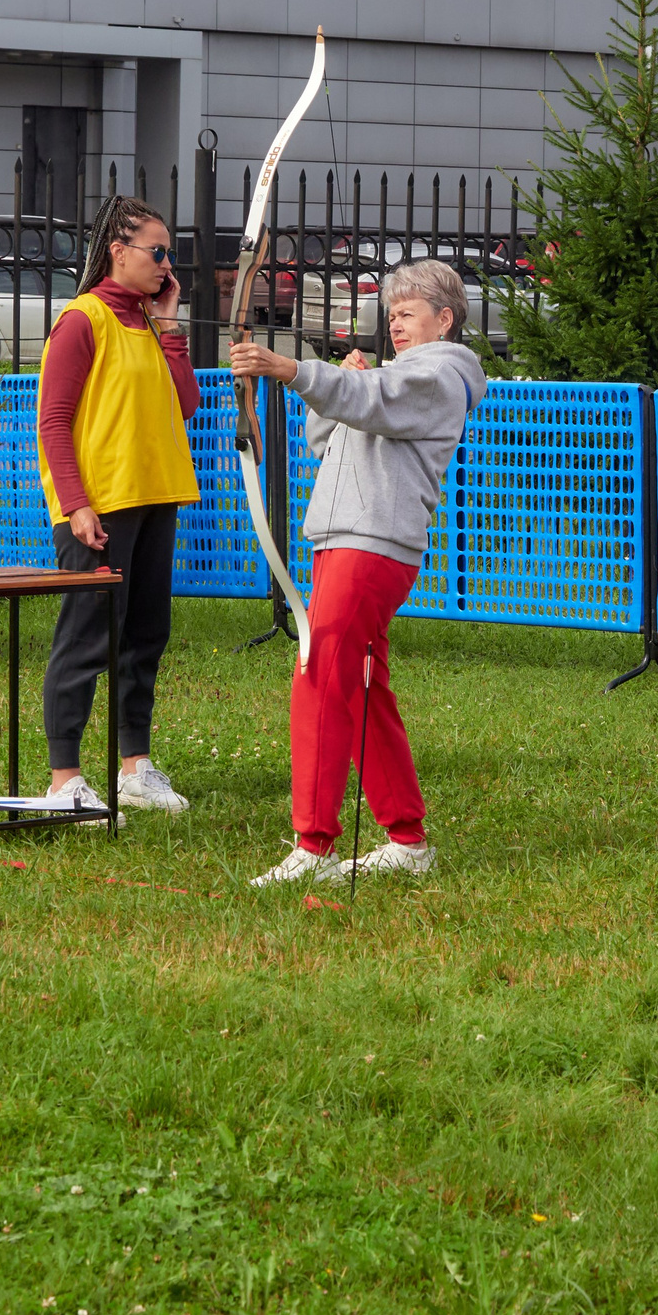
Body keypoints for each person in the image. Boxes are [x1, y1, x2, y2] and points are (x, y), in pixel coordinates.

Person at [229, 259, 484, 885]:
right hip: (347, 539)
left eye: (408, 312)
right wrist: (335, 382)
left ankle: (313, 846)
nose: (394, 324)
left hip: (372, 545)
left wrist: (293, 370)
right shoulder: (394, 375)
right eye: (391, 314)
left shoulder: (442, 374)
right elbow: (327, 436)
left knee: (319, 673)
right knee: (363, 686)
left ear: (444, 319)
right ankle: (407, 839)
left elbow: (370, 402)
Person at [36, 194, 203, 818]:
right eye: (157, 253)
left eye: (170, 254)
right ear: (118, 251)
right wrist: (76, 505)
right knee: (86, 637)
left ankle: (135, 766)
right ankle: (65, 779)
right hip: (101, 507)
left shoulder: (150, 324)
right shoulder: (83, 319)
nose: (166, 264)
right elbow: (53, 421)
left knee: (144, 635)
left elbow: (186, 403)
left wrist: (171, 327)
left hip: (158, 495)